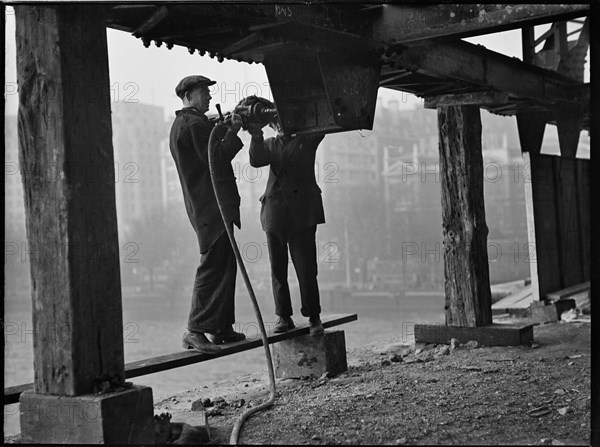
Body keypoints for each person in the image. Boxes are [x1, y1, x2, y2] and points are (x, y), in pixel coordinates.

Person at [170, 75, 246, 353]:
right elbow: (215, 158)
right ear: (189, 96)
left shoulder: (190, 123)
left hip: (211, 206)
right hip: (210, 207)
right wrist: (233, 132)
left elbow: (208, 148)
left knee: (226, 264)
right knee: (213, 266)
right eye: (204, 92)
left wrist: (220, 127)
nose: (210, 97)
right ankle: (195, 329)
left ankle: (221, 328)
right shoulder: (192, 125)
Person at [248, 114, 326, 336]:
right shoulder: (270, 144)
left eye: (281, 119)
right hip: (275, 215)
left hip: (302, 214)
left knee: (307, 269)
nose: (279, 125)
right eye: (275, 122)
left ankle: (314, 317)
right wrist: (255, 132)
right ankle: (284, 316)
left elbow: (321, 127)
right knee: (278, 269)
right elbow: (256, 159)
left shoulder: (306, 139)